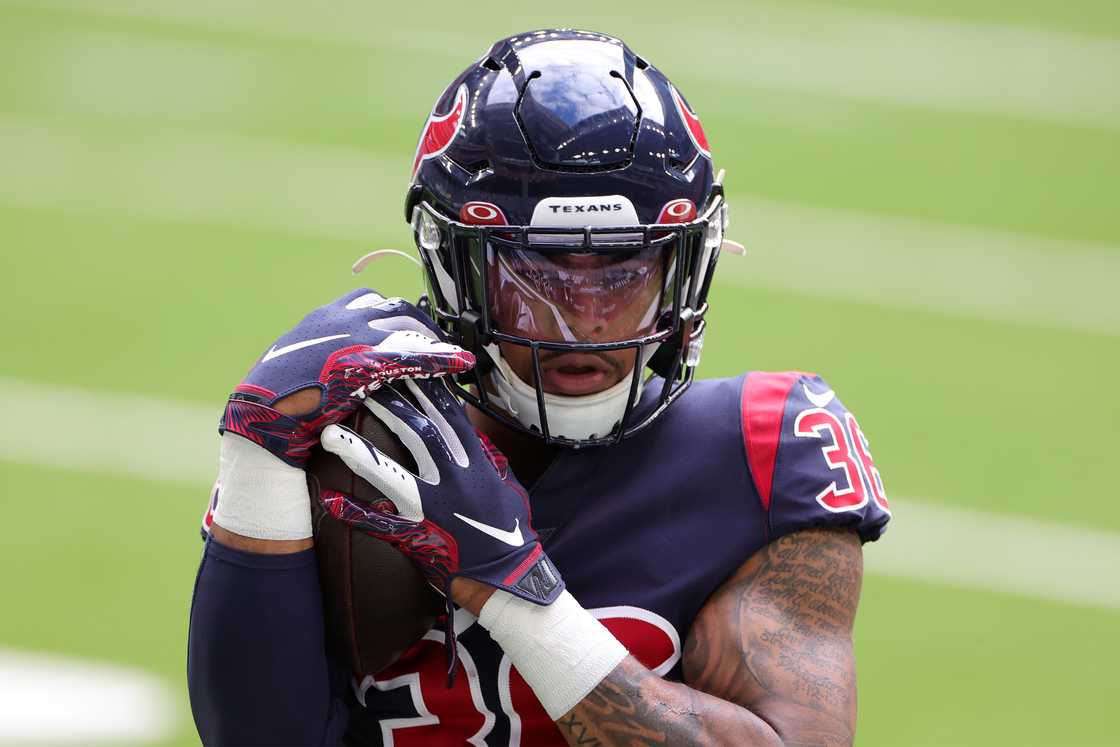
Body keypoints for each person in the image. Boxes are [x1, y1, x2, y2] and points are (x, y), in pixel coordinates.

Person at [187, 29, 891, 746]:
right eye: (536, 272)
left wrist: (516, 595)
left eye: (623, 272)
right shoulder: (356, 444)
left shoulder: (764, 450)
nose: (582, 318)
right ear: (457, 263)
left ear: (683, 266)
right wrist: (256, 463)